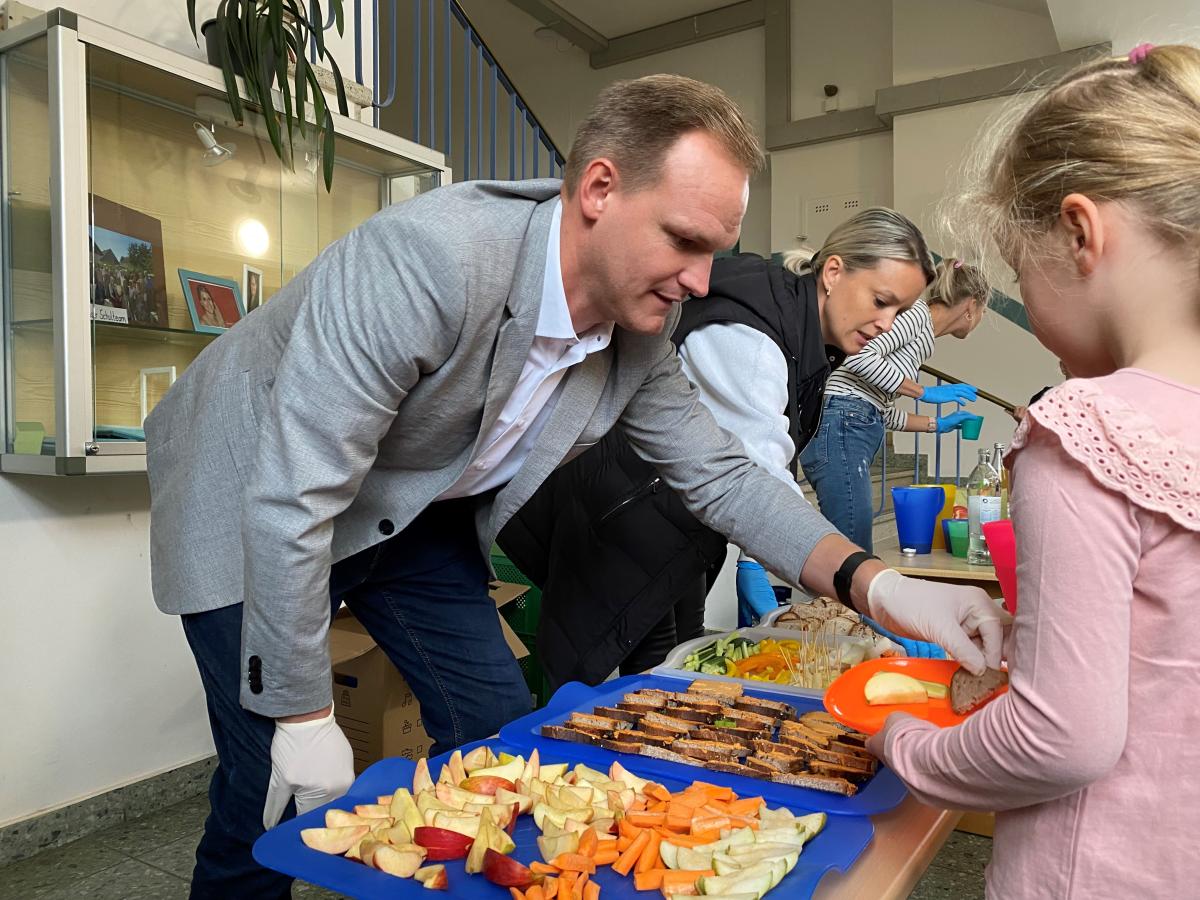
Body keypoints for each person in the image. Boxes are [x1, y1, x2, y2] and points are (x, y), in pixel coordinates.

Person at [145, 74, 1009, 899]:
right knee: (265, 777)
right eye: (683, 240)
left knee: (488, 729)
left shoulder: (641, 327)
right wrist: (301, 714)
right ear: (599, 188)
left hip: (405, 512)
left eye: (715, 250)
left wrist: (880, 584)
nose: (702, 282)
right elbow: (297, 490)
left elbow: (722, 476)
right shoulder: (428, 260)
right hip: (251, 487)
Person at [867, 43, 1200, 899]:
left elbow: (1063, 739)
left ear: (1081, 235)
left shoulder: (1086, 431)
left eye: (1021, 273)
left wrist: (908, 746)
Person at [499, 207, 936, 684]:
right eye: (881, 301)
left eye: (899, 311)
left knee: (674, 667)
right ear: (833, 272)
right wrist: (865, 584)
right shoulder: (753, 339)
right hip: (619, 518)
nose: (888, 323)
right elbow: (754, 477)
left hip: (671, 521)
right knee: (628, 683)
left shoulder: (797, 325)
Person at [799, 258, 990, 552]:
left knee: (853, 545)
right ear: (971, 306)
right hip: (840, 422)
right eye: (983, 311)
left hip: (854, 420)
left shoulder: (922, 335)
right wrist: (922, 391)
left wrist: (936, 425)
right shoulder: (915, 315)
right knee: (853, 548)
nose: (980, 319)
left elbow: (879, 409)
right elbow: (858, 357)